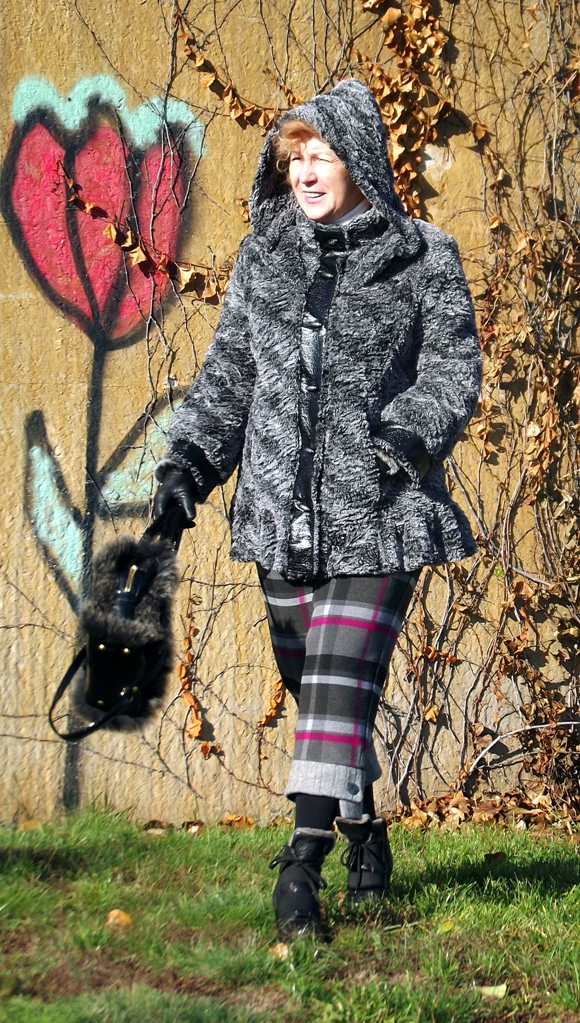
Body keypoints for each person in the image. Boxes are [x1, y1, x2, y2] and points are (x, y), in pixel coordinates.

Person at [154, 79, 481, 939]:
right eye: (293, 157)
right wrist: (186, 467)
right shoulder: (264, 258)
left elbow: (453, 372)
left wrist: (397, 442)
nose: (303, 172)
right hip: (280, 519)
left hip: (380, 516)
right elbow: (230, 378)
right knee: (324, 693)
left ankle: (301, 867)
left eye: (321, 155)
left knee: (336, 679)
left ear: (359, 160)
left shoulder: (425, 256)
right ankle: (364, 826)